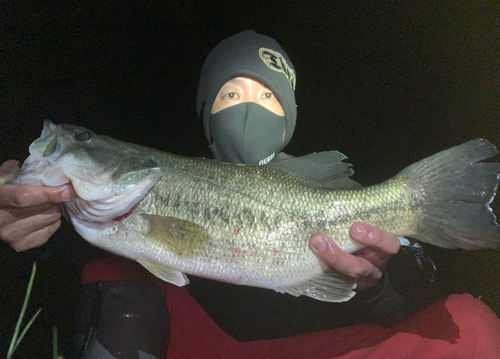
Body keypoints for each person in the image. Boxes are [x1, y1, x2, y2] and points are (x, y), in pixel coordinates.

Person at [1, 30, 499, 359]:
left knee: (470, 322)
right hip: (200, 344)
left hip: (317, 346)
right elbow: (56, 279)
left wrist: (378, 282)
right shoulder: (106, 207)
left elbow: (414, 291)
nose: (248, 108)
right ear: (207, 112)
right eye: (230, 94)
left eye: (266, 96)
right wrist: (27, 233)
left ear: (290, 113)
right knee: (106, 271)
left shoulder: (319, 185)